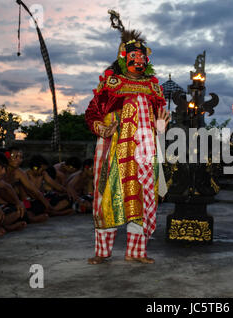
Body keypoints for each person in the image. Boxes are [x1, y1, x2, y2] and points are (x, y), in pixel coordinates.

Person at [84, 10, 169, 265]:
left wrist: (161, 126)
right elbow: (91, 113)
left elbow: (158, 117)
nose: (139, 61)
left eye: (142, 57)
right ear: (124, 58)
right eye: (134, 57)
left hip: (144, 152)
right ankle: (102, 252)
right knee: (109, 198)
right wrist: (102, 127)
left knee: (142, 198)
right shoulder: (111, 84)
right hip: (114, 152)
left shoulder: (153, 87)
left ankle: (136, 252)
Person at [2, 147, 51, 223]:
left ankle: (26, 217)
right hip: (2, 204)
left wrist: (47, 204)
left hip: (14, 203)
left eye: (21, 157)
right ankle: (27, 219)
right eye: (15, 157)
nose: (19, 160)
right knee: (19, 211)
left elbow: (33, 189)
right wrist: (17, 202)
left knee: (39, 203)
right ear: (7, 157)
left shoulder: (19, 172)